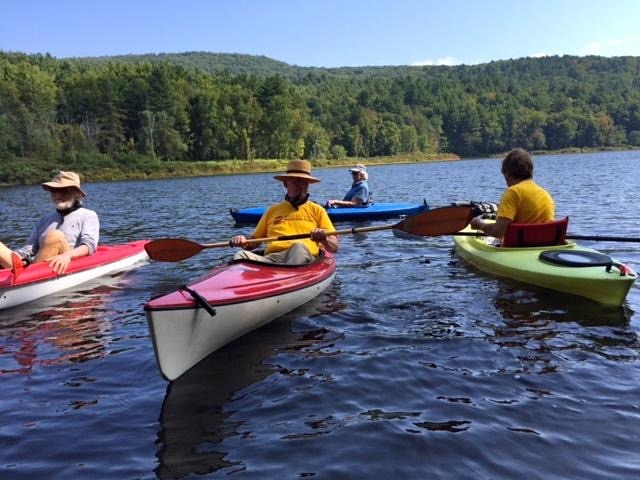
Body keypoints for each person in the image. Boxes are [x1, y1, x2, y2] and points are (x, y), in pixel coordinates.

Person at [230, 160, 338, 264]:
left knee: (298, 247)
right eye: (296, 182)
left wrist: (324, 240)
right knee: (240, 255)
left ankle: (289, 274)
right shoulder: (272, 210)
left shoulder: (317, 210)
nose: (301, 186)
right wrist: (243, 240)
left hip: (302, 258)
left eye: (304, 183)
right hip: (271, 259)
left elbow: (334, 247)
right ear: (286, 184)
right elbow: (254, 241)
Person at [0, 171, 100, 275]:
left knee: (55, 236)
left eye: (64, 190)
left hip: (66, 264)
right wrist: (17, 258)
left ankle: (25, 276)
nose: (58, 194)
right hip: (35, 265)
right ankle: (16, 274)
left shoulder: (88, 215)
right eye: (54, 190)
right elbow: (29, 249)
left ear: (77, 193)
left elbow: (89, 245)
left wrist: (67, 255)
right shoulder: (43, 220)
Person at [470, 148, 555, 239]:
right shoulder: (546, 194)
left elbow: (498, 232)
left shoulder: (513, 192)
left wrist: (480, 224)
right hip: (545, 242)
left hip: (519, 245)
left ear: (508, 174)